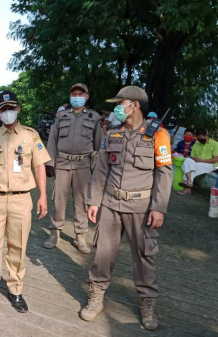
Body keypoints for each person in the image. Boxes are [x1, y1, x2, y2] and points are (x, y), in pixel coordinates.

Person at [81, 86, 173, 331]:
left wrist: (159, 208)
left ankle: (148, 303)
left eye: (120, 104)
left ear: (135, 105)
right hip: (111, 204)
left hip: (141, 207)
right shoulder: (113, 133)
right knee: (102, 252)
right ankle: (96, 295)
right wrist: (94, 201)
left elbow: (164, 173)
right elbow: (101, 170)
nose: (117, 109)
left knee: (144, 256)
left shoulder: (158, 134)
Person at [0, 90, 50, 313]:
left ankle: (15, 290)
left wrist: (43, 195)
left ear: (18, 109)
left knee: (18, 246)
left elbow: (40, 166)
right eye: (3, 109)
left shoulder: (31, 136)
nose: (8, 112)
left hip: (21, 199)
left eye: (11, 108)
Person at [43, 83, 102, 253]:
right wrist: (49, 163)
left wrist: (97, 168)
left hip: (83, 165)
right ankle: (55, 232)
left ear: (86, 96)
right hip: (61, 163)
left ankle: (80, 236)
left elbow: (99, 144)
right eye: (74, 93)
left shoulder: (94, 117)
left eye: (80, 94)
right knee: (59, 199)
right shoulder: (61, 116)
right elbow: (52, 140)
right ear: (70, 96)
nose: (77, 96)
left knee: (83, 201)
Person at [178, 128, 218, 195]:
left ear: (206, 135)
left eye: (202, 138)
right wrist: (194, 158)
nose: (200, 140)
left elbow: (215, 159)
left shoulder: (215, 144)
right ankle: (189, 182)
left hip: (210, 164)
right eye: (199, 138)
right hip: (197, 162)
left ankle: (187, 188)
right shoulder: (196, 145)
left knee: (192, 168)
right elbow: (192, 156)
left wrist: (200, 160)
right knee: (187, 160)